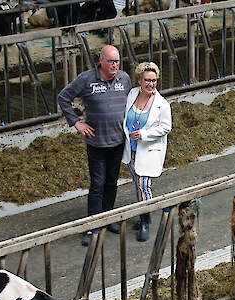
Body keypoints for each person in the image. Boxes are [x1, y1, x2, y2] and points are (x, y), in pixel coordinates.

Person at [57, 44, 132, 246]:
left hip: (117, 141)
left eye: (117, 61)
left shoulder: (124, 79)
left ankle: (107, 218)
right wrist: (76, 122)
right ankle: (92, 225)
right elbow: (63, 97)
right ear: (101, 61)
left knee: (111, 182)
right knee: (97, 184)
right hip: (97, 143)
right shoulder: (86, 79)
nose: (115, 65)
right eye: (111, 61)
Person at [122, 61, 172, 242]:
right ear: (139, 80)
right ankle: (144, 212)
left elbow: (166, 127)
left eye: (154, 81)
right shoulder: (132, 95)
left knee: (144, 185)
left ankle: (146, 219)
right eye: (147, 80)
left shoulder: (162, 104)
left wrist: (144, 134)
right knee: (137, 184)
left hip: (149, 149)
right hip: (132, 149)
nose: (151, 84)